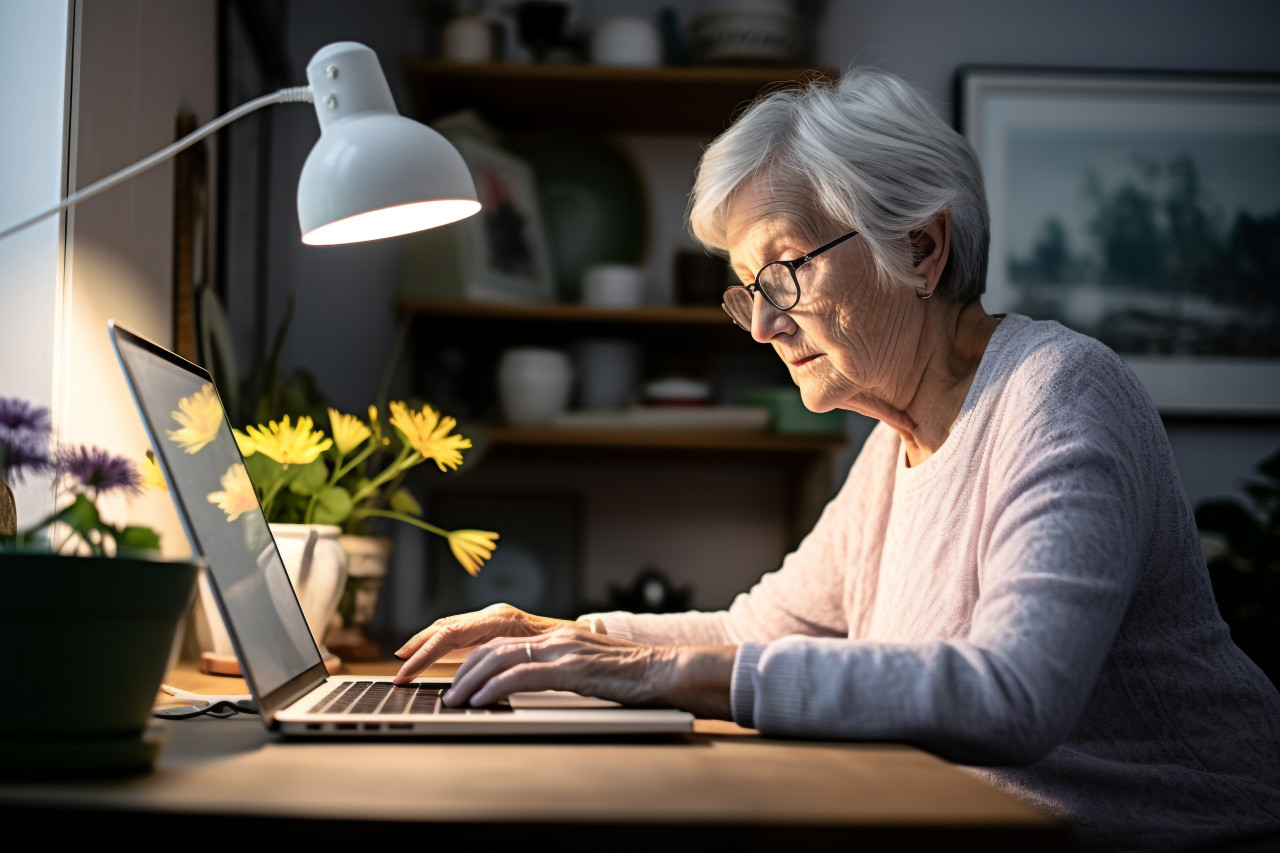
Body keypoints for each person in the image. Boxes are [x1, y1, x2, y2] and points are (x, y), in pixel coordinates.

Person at [392, 70, 1280, 851]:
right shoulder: (894, 445)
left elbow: (1014, 693)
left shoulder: (1058, 392)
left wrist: (666, 674)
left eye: (786, 271)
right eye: (748, 294)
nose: (767, 325)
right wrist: (567, 637)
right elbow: (751, 634)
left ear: (920, 248)